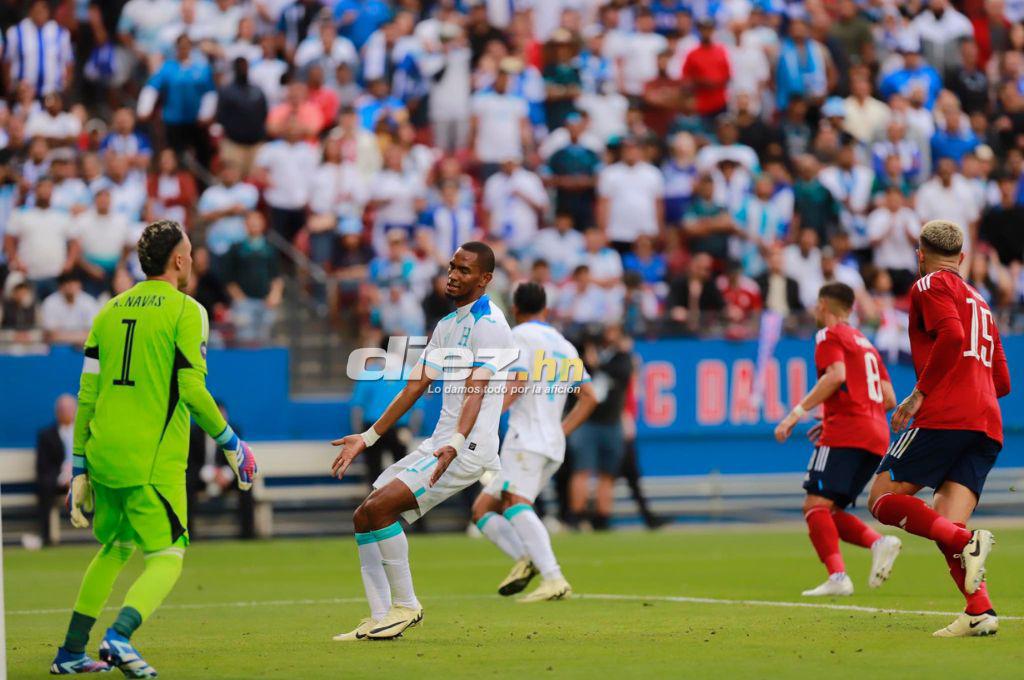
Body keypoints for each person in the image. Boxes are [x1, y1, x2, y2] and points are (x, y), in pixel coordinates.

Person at [52, 220, 257, 675]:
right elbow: (192, 391)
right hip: (151, 460)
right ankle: (118, 637)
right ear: (179, 259)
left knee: (116, 547)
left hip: (104, 453)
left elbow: (87, 395)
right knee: (169, 555)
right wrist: (232, 444)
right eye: (189, 251)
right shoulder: (187, 311)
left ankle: (70, 653)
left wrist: (80, 466)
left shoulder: (107, 311)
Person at [330, 241, 514, 641]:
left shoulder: (491, 325)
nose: (453, 274)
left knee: (379, 509)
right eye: (452, 267)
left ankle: (406, 606)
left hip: (466, 447)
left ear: (485, 279)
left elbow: (476, 391)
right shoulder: (447, 326)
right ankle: (381, 616)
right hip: (441, 442)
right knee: (364, 515)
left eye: (465, 270)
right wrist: (367, 437)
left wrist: (458, 439)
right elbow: (415, 387)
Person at [867, 220, 1010, 638]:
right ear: (963, 257)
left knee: (881, 500)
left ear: (920, 255)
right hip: (986, 423)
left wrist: (919, 395)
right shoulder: (981, 301)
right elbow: (1002, 381)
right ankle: (979, 610)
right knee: (948, 524)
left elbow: (950, 333)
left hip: (946, 414)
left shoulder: (929, 285)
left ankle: (969, 544)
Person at [471, 282, 597, 602]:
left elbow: (519, 379)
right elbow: (590, 397)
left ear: (514, 309)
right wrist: (562, 429)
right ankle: (529, 560)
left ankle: (553, 577)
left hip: (525, 438)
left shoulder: (520, 336)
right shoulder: (566, 346)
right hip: (551, 442)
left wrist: (485, 418)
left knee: (516, 502)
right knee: (483, 507)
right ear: (546, 308)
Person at [774, 282, 902, 597]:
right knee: (829, 511)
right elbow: (888, 397)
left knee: (814, 505)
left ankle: (838, 577)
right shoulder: (866, 343)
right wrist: (833, 415)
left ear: (822, 306)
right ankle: (878, 542)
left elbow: (836, 375)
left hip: (848, 431)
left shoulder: (827, 335)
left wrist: (796, 414)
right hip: (876, 436)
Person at [567, 324, 632, 531]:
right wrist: (589, 353)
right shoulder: (581, 356)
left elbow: (622, 373)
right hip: (588, 423)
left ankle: (603, 519)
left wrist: (598, 364)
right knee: (582, 470)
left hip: (611, 423)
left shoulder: (620, 358)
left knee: (607, 474)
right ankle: (577, 517)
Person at [35, 395, 77, 547]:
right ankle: (46, 538)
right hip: (58, 481)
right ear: (57, 412)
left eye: (69, 409)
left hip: (83, 477)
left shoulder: (85, 432)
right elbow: (43, 466)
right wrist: (64, 478)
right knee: (44, 485)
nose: (65, 412)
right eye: (62, 409)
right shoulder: (46, 435)